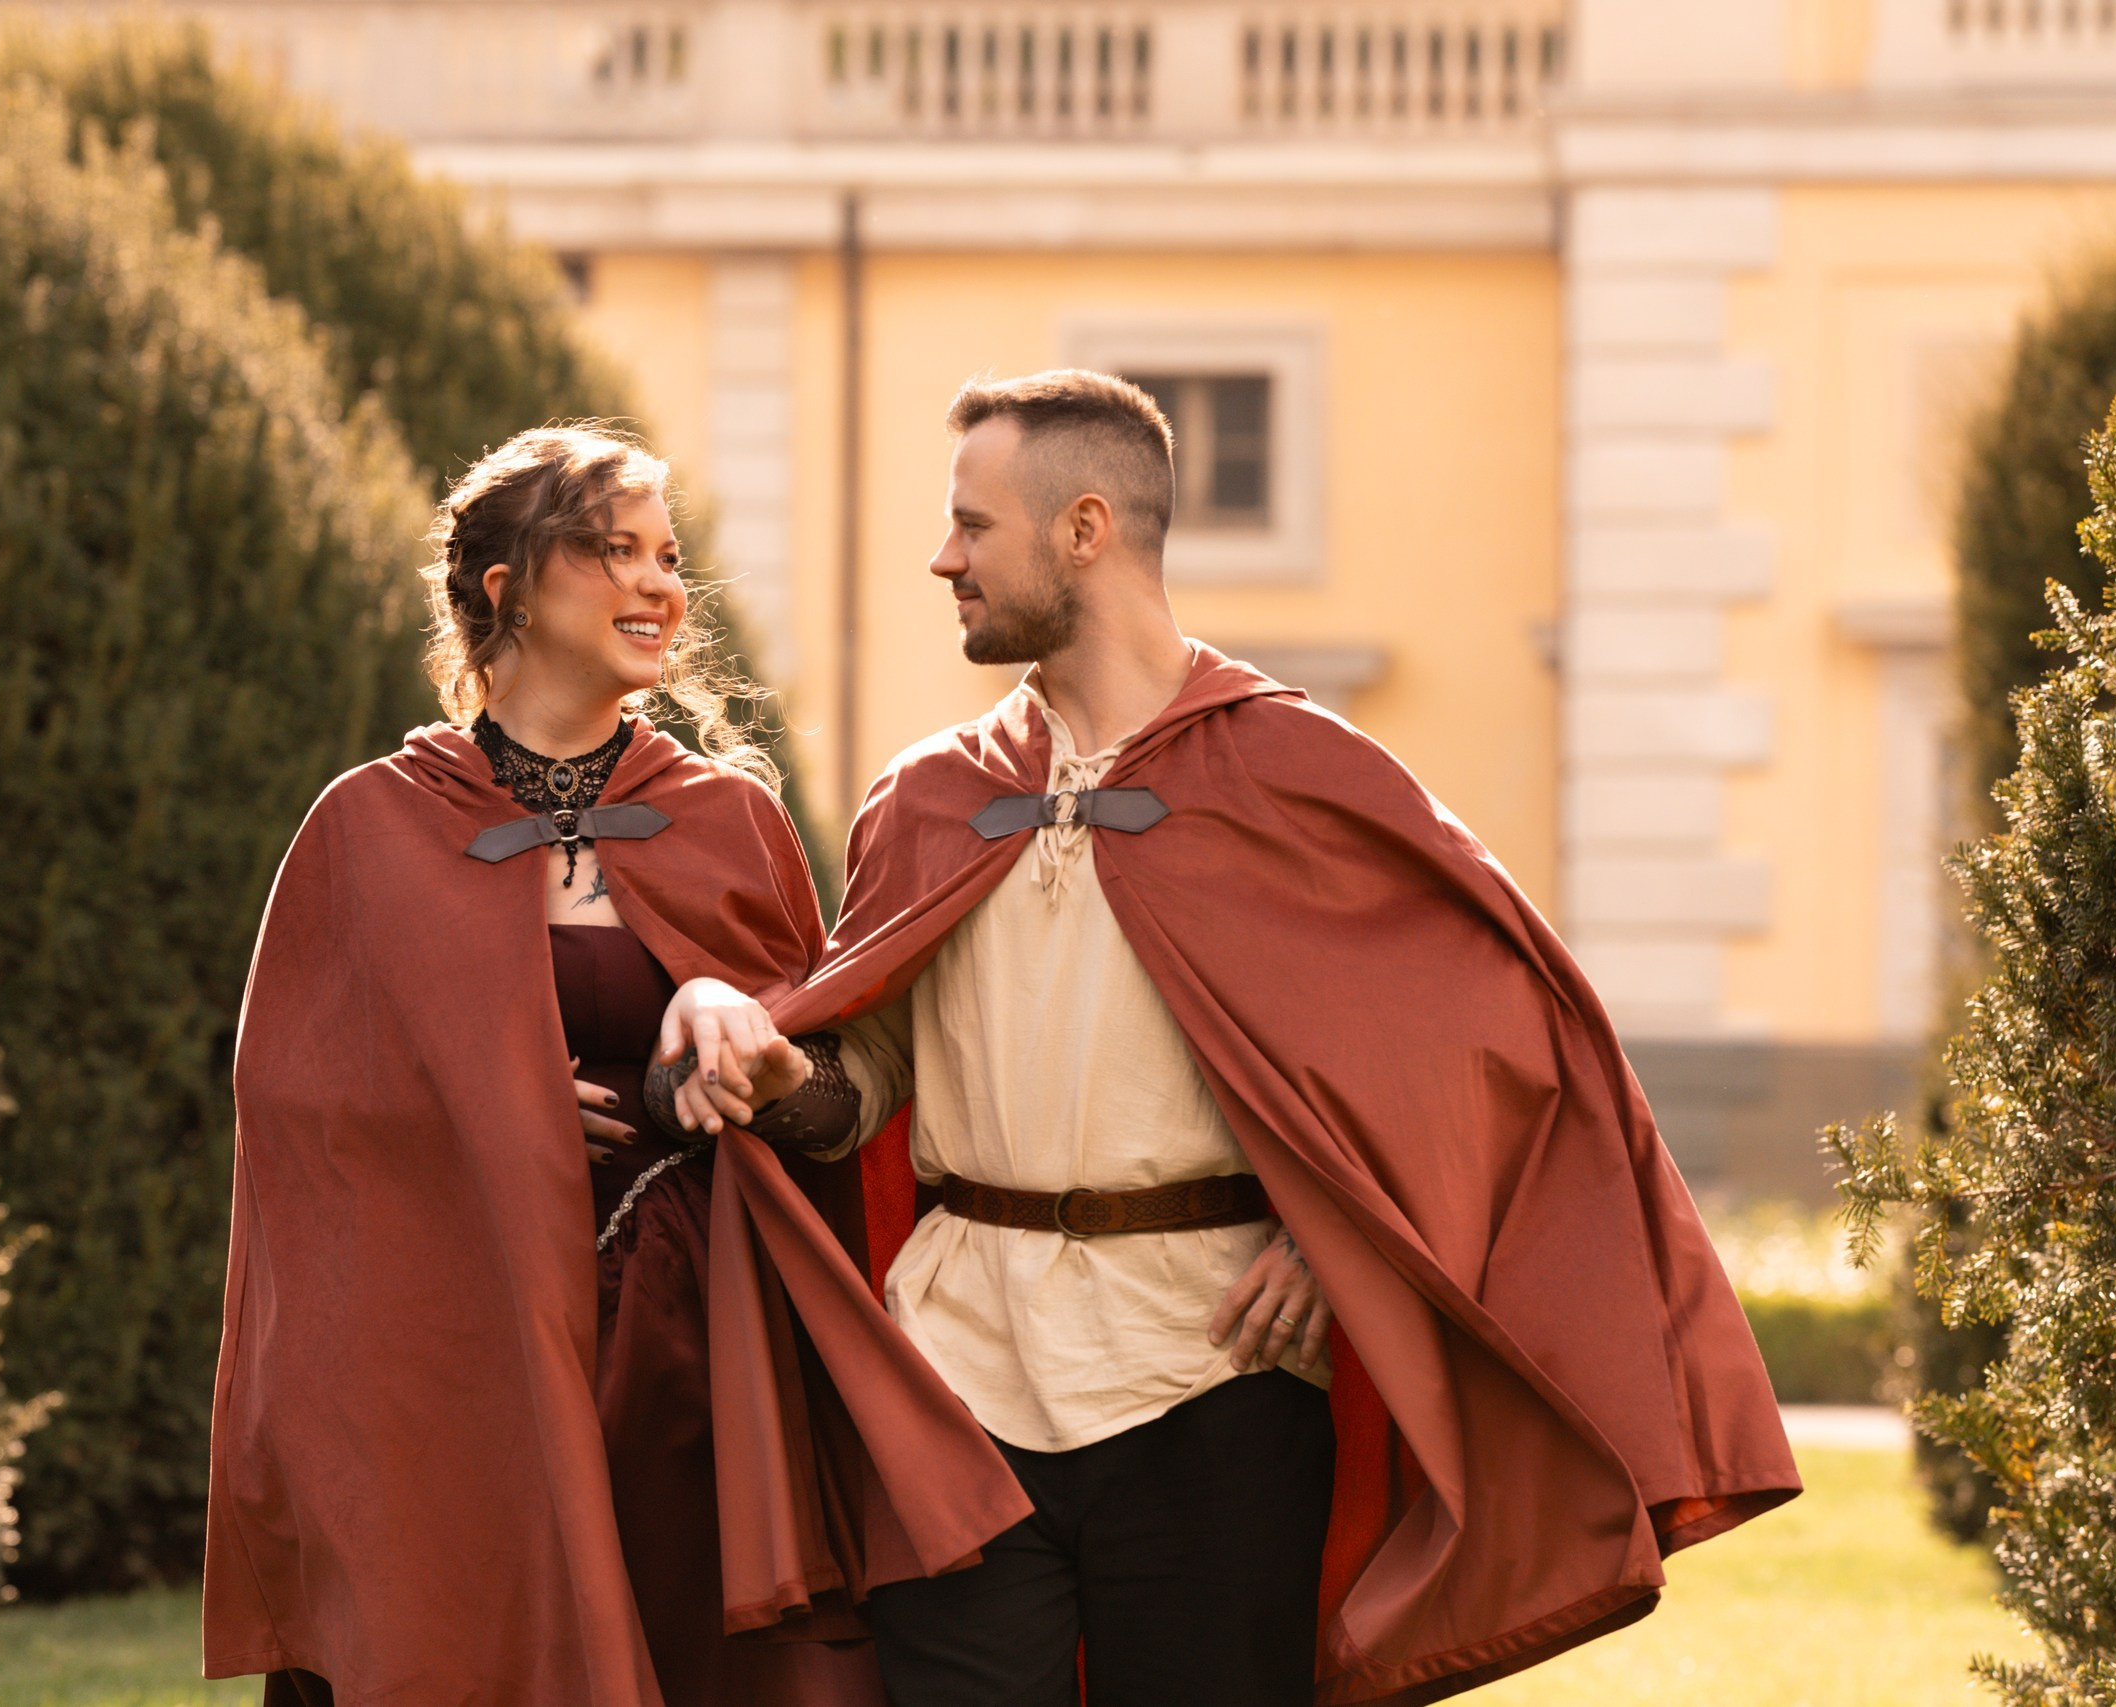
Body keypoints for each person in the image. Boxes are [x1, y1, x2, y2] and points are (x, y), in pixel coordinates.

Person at [656, 371, 1802, 1706]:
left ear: (1086, 529)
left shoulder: (1292, 773)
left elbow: (1504, 1043)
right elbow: (866, 1090)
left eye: (973, 526)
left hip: (1214, 1379)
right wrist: (785, 1073)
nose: (943, 557)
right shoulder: (928, 797)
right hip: (955, 1377)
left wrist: (1344, 1232)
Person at [202, 426, 1024, 1707]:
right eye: (611, 552)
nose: (658, 587)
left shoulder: (728, 818)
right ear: (505, 587)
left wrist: (739, 1062)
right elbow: (301, 1119)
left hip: (688, 1353)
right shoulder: (368, 825)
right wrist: (493, 1108)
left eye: (668, 558)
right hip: (446, 1347)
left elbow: (823, 1092)